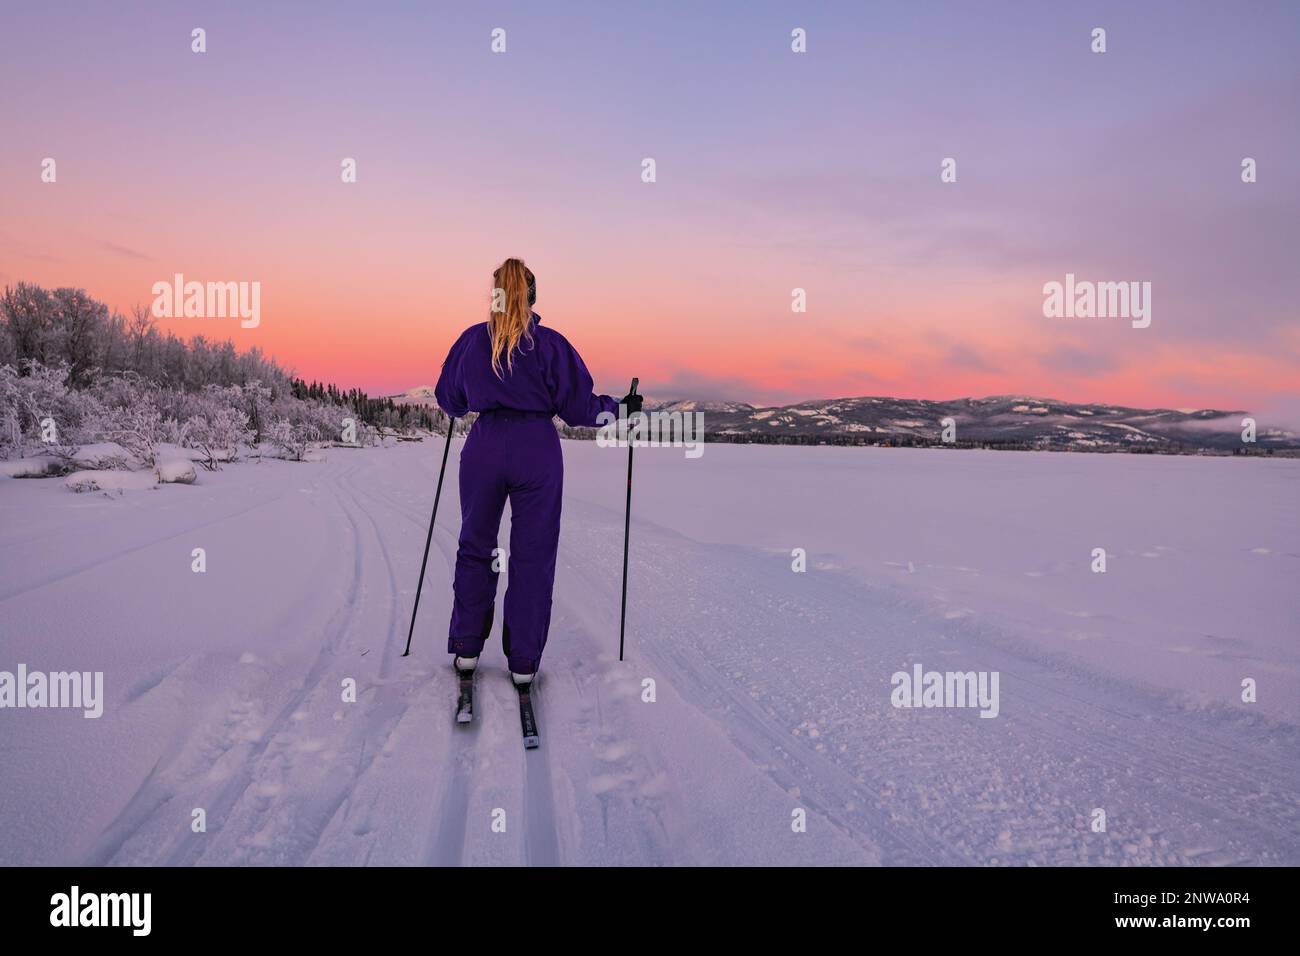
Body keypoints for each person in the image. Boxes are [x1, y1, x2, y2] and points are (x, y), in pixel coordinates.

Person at [434, 258, 640, 687]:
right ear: (532, 297)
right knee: (532, 555)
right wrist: (619, 409)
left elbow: (449, 400)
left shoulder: (473, 342)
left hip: (484, 447)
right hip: (536, 449)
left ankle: (467, 650)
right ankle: (523, 661)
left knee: (476, 547)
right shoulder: (549, 345)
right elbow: (580, 408)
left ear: (494, 296)